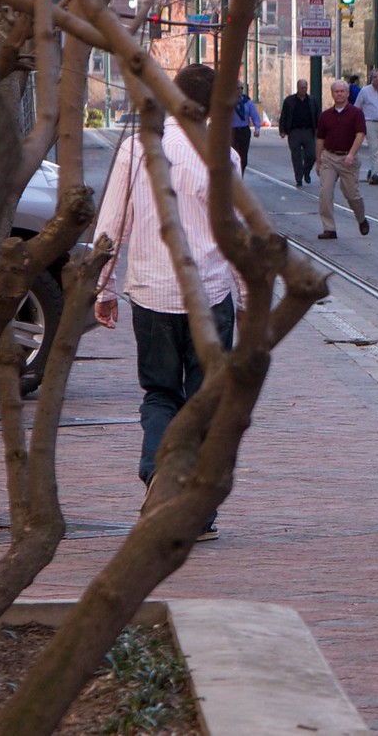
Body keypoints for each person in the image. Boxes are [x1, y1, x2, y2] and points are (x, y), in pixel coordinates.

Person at [91, 63, 240, 542]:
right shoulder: (222, 158)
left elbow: (113, 224)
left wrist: (104, 288)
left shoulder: (137, 151)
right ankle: (198, 512)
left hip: (152, 291)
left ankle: (157, 471)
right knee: (204, 400)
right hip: (210, 294)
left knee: (159, 393)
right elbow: (233, 234)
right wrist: (246, 292)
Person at [315, 78, 370, 239]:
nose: (339, 94)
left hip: (348, 158)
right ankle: (329, 228)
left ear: (347, 94)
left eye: (342, 91)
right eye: (336, 91)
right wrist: (318, 161)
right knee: (325, 192)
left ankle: (361, 218)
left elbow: (360, 134)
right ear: (332, 94)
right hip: (329, 157)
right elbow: (320, 140)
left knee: (352, 195)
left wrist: (352, 154)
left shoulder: (356, 113)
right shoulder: (325, 115)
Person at [278, 79, 318, 187]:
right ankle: (299, 178)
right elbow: (284, 116)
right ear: (297, 88)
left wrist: (318, 131)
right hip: (294, 131)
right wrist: (282, 130)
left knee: (312, 154)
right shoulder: (289, 101)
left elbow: (317, 116)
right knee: (296, 156)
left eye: (305, 88)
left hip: (309, 131)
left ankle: (306, 171)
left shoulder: (312, 101)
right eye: (302, 88)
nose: (304, 90)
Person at [228, 88, 265, 171]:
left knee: (243, 156)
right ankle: (233, 176)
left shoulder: (247, 102)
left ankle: (240, 175)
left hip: (244, 131)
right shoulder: (228, 101)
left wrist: (257, 129)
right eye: (237, 88)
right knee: (233, 155)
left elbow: (255, 116)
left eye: (241, 88)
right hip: (232, 131)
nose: (239, 90)